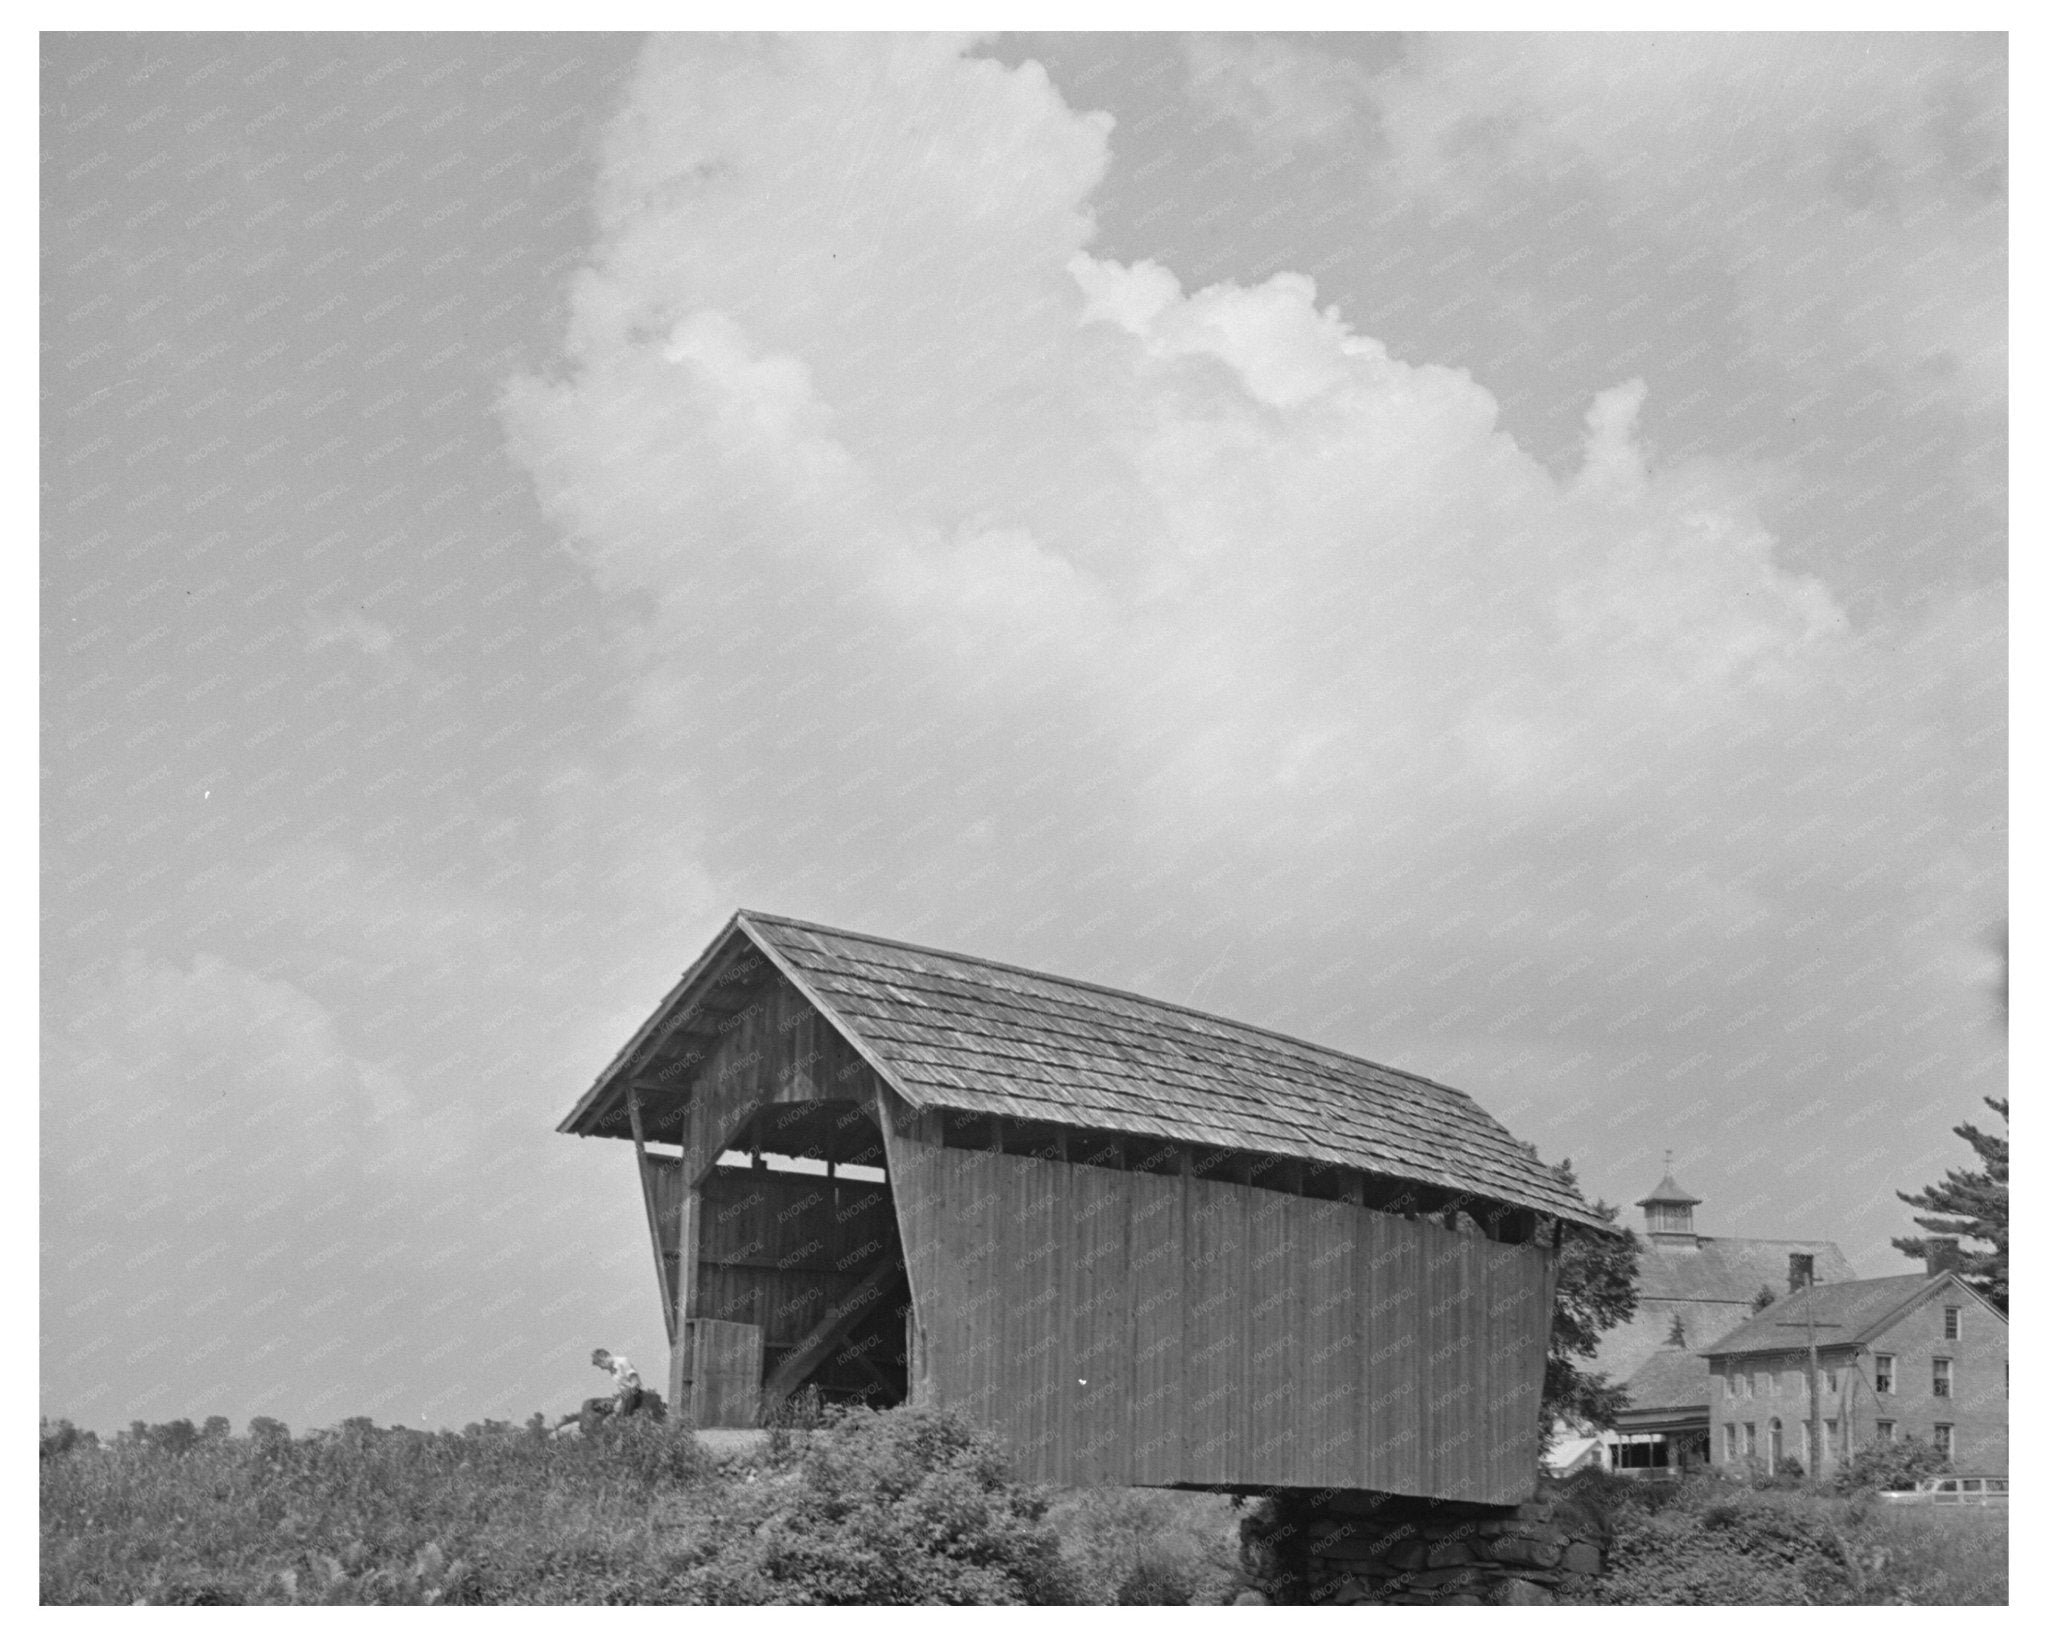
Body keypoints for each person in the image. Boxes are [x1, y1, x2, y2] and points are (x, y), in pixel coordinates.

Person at [559, 1347, 644, 1433]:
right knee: (589, 1403)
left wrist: (622, 1400)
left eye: (600, 1365)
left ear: (603, 1357)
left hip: (633, 1395)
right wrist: (617, 1400)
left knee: (625, 1395)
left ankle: (620, 1423)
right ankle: (584, 1428)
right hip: (622, 1396)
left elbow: (636, 1385)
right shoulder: (612, 1370)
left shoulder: (623, 1361)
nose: (602, 1369)